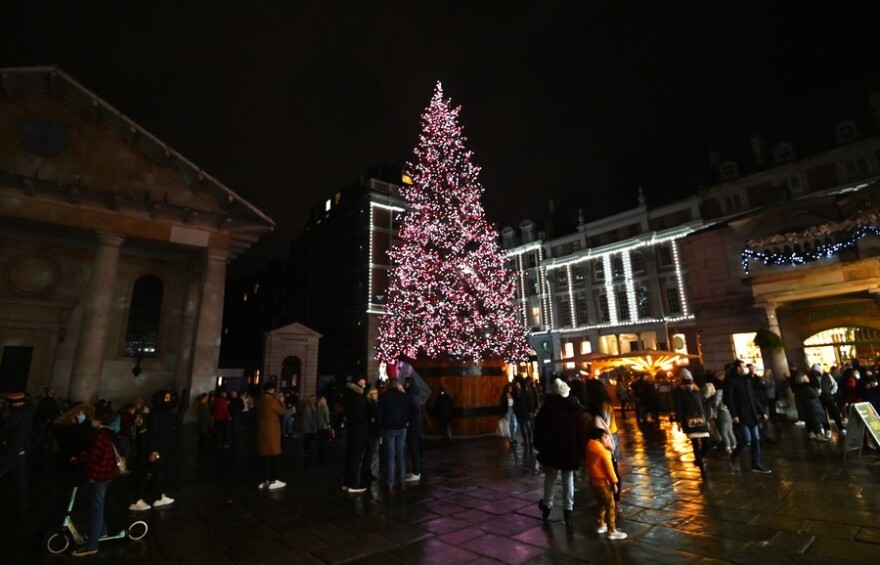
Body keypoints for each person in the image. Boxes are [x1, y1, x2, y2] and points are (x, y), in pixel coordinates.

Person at [69, 406, 122, 557]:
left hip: (99, 475)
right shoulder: (110, 433)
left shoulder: (100, 435)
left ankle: (92, 544)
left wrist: (78, 458)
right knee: (98, 505)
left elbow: (93, 455)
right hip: (108, 474)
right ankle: (102, 531)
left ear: (98, 420)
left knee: (95, 509)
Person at [534, 379, 586, 528]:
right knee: (568, 478)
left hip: (551, 449)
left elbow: (538, 429)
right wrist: (582, 450)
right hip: (569, 449)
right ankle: (568, 509)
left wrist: (538, 445)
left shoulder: (547, 408)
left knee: (550, 476)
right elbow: (580, 432)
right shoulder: (574, 407)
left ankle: (547, 504)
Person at [129, 389, 176, 510]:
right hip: (155, 449)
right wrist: (153, 450)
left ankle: (157, 496)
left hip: (161, 448)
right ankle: (138, 499)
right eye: (166, 398)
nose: (169, 400)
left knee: (156, 472)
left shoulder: (165, 412)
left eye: (169, 397)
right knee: (149, 473)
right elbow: (152, 433)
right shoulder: (157, 413)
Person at [724, 360, 771, 473]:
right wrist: (734, 414)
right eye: (743, 367)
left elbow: (753, 397)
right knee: (746, 438)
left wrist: (761, 411)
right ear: (737, 368)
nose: (744, 368)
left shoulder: (746, 380)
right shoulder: (731, 381)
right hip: (742, 413)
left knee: (755, 438)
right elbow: (728, 399)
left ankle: (756, 463)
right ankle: (734, 455)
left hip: (752, 413)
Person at [585, 427, 626, 540]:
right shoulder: (602, 452)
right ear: (599, 438)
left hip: (593, 481)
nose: (607, 438)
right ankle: (612, 530)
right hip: (603, 483)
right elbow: (609, 469)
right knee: (610, 505)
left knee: (601, 503)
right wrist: (614, 483)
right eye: (605, 437)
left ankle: (600, 524)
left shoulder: (589, 446)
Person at [0, 392, 35, 515]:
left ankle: (22, 502)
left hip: (13, 449)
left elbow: (5, 427)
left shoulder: (18, 414)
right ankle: (22, 502)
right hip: (20, 449)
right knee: (21, 477)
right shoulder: (26, 412)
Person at [377, 378, 414, 492]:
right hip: (402, 427)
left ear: (389, 386)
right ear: (397, 385)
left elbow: (380, 414)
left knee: (390, 456)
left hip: (389, 428)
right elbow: (414, 410)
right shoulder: (405, 397)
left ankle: (390, 484)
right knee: (400, 455)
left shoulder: (384, 398)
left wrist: (381, 425)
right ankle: (402, 481)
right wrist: (407, 420)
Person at [674, 369, 711, 479]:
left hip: (701, 419)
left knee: (707, 444)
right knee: (695, 444)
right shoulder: (679, 392)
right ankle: (701, 468)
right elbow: (678, 407)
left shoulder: (696, 390)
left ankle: (698, 460)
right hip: (689, 420)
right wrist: (679, 421)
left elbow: (703, 401)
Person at [342, 375, 370, 493]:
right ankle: (352, 483)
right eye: (363, 379)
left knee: (350, 455)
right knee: (355, 456)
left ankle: (347, 482)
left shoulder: (348, 393)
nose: (365, 381)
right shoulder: (357, 395)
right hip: (359, 429)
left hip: (351, 428)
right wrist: (368, 420)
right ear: (359, 381)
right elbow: (359, 413)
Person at [256, 382, 286, 490]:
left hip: (262, 432)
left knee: (263, 458)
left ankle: (263, 480)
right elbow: (282, 411)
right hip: (271, 432)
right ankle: (274, 480)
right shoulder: (271, 401)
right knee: (275, 457)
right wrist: (281, 401)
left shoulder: (259, 400)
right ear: (271, 390)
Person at [404, 377, 423, 482]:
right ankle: (416, 471)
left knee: (413, 448)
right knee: (415, 448)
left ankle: (416, 472)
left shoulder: (410, 394)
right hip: (417, 424)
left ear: (408, 383)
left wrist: (408, 420)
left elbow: (414, 410)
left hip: (413, 425)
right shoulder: (416, 392)